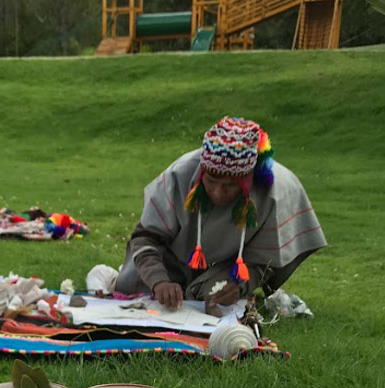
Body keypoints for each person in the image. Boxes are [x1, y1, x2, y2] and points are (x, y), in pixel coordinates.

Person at [116, 116, 326, 309]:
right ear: (202, 171)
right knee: (132, 286)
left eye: (230, 185)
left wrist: (240, 286)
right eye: (211, 181)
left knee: (213, 298)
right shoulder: (179, 176)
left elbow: (264, 261)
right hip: (174, 255)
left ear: (247, 180)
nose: (217, 192)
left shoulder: (272, 192)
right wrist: (160, 281)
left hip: (233, 264)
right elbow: (145, 237)